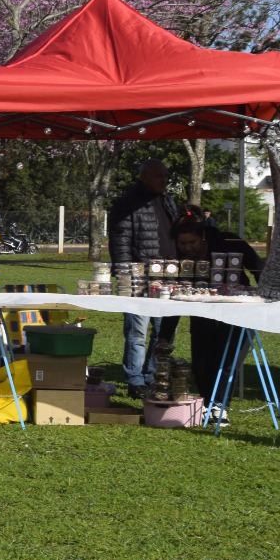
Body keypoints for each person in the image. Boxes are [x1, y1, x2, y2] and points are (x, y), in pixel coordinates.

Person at [172, 217, 262, 412]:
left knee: (227, 360)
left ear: (203, 237)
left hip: (236, 309)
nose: (187, 247)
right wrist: (165, 335)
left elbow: (257, 266)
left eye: (192, 242)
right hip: (202, 312)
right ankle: (206, 403)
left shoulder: (229, 242)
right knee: (201, 363)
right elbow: (176, 298)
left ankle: (220, 405)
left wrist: (263, 292)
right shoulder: (180, 259)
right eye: (182, 243)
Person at [108, 159, 179, 397]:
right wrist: (125, 275)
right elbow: (120, 242)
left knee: (163, 331)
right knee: (137, 331)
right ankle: (135, 380)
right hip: (139, 279)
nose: (164, 180)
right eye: (159, 176)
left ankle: (152, 375)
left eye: (166, 176)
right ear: (144, 177)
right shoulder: (127, 203)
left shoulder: (168, 201)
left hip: (168, 277)